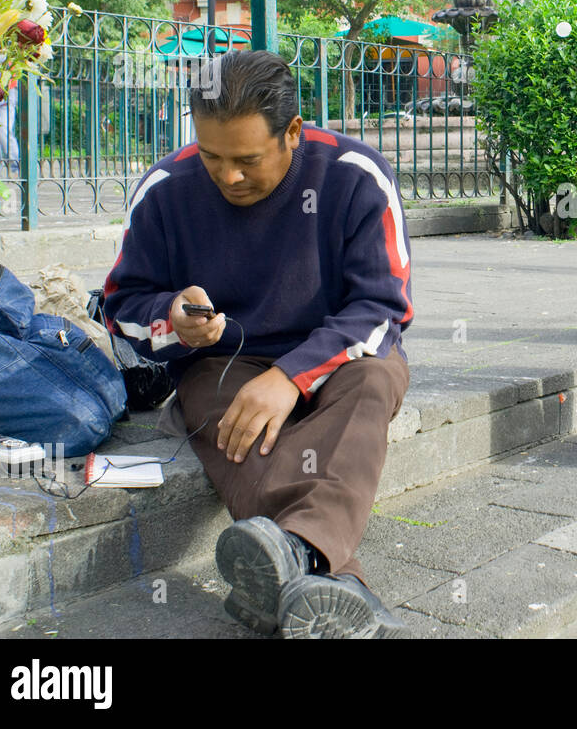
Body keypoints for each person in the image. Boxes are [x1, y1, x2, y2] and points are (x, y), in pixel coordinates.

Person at [102, 50, 413, 639]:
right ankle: (325, 572)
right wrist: (170, 318)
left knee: (375, 378)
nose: (228, 176)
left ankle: (290, 560)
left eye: (247, 159)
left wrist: (291, 377)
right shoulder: (167, 188)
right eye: (212, 156)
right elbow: (122, 307)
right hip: (219, 367)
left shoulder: (354, 175)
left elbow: (383, 307)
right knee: (231, 422)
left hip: (338, 359)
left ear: (293, 132)